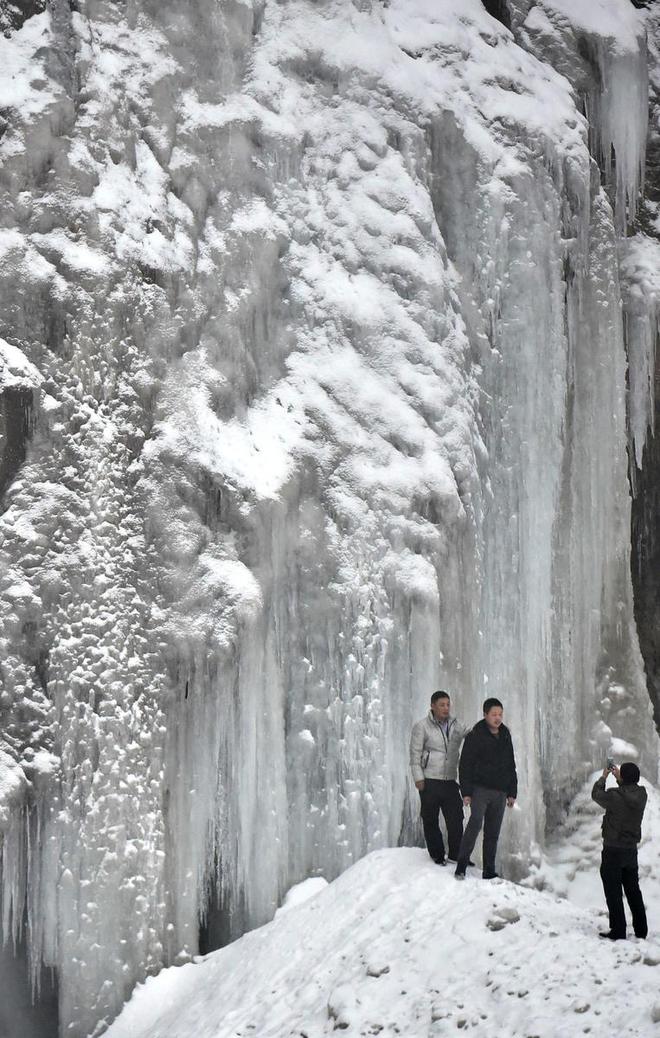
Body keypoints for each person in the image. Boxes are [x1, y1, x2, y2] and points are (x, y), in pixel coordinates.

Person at [454, 697, 517, 880]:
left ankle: (489, 870)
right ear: (485, 715)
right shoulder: (476, 734)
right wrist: (466, 792)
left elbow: (510, 764)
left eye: (500, 714)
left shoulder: (505, 734)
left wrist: (512, 792)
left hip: (500, 791)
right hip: (480, 789)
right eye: (494, 714)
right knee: (474, 825)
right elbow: (465, 764)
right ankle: (461, 865)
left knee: (493, 831)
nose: (497, 718)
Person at [410, 690, 469, 864]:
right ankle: (437, 854)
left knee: (456, 818)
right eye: (442, 705)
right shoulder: (422, 726)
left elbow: (472, 733)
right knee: (430, 819)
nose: (446, 708)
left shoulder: (456, 724)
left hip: (450, 780)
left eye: (448, 704)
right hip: (429, 779)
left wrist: (491, 729)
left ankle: (455, 854)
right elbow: (414, 754)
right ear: (433, 706)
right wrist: (418, 778)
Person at [591, 761, 648, 941]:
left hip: (613, 850)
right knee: (633, 890)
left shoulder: (614, 796)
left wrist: (604, 776)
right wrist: (621, 779)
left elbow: (596, 794)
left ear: (623, 777)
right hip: (630, 851)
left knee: (613, 891)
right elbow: (628, 794)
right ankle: (641, 930)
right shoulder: (642, 795)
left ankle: (618, 930)